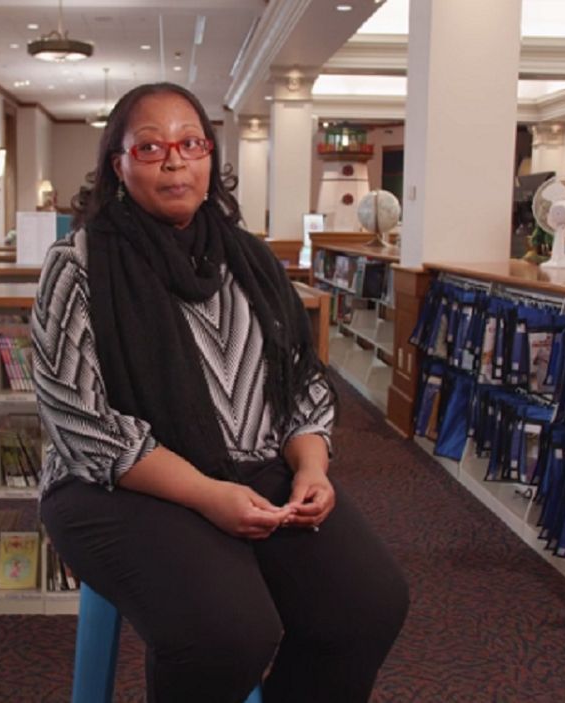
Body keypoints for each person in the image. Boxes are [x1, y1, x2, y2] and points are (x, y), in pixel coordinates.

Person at [31, 82, 409, 703]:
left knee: (368, 606)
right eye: (150, 147)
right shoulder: (78, 264)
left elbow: (301, 380)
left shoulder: (250, 259)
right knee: (228, 633)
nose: (174, 161)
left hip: (253, 467)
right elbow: (79, 419)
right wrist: (207, 494)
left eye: (190, 143)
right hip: (113, 486)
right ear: (118, 165)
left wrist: (312, 467)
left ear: (210, 157)